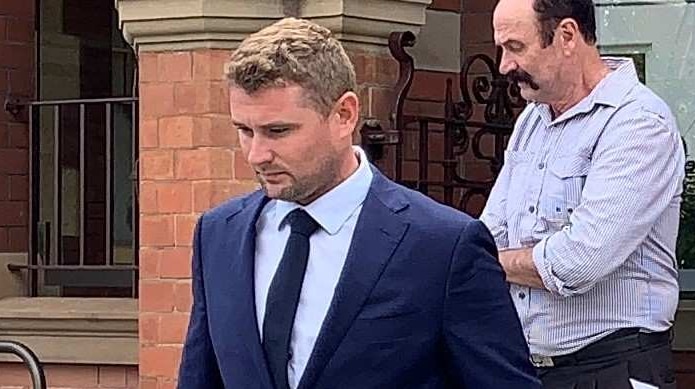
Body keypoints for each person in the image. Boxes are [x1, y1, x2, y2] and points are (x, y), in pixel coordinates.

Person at [177, 17, 540, 389]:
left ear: (344, 115)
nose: (256, 154)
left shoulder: (442, 246)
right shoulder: (218, 234)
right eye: (244, 131)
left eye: (278, 131)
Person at [481, 0, 686, 388]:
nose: (505, 65)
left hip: (614, 369)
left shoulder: (638, 122)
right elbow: (489, 231)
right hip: (529, 368)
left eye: (515, 47)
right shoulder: (532, 121)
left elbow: (578, 262)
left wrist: (487, 261)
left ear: (567, 36)